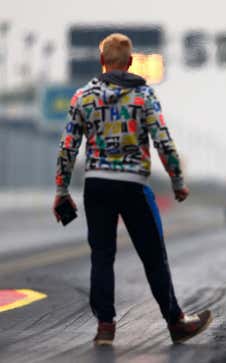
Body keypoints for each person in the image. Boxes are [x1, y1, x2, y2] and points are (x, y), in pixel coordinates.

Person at [52, 33, 212, 346]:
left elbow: (68, 146)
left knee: (102, 256)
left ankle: (105, 328)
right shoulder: (143, 95)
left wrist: (61, 190)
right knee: (154, 257)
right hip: (133, 186)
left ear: (102, 61)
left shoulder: (83, 96)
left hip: (96, 186)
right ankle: (175, 321)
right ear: (128, 62)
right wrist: (177, 182)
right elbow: (162, 140)